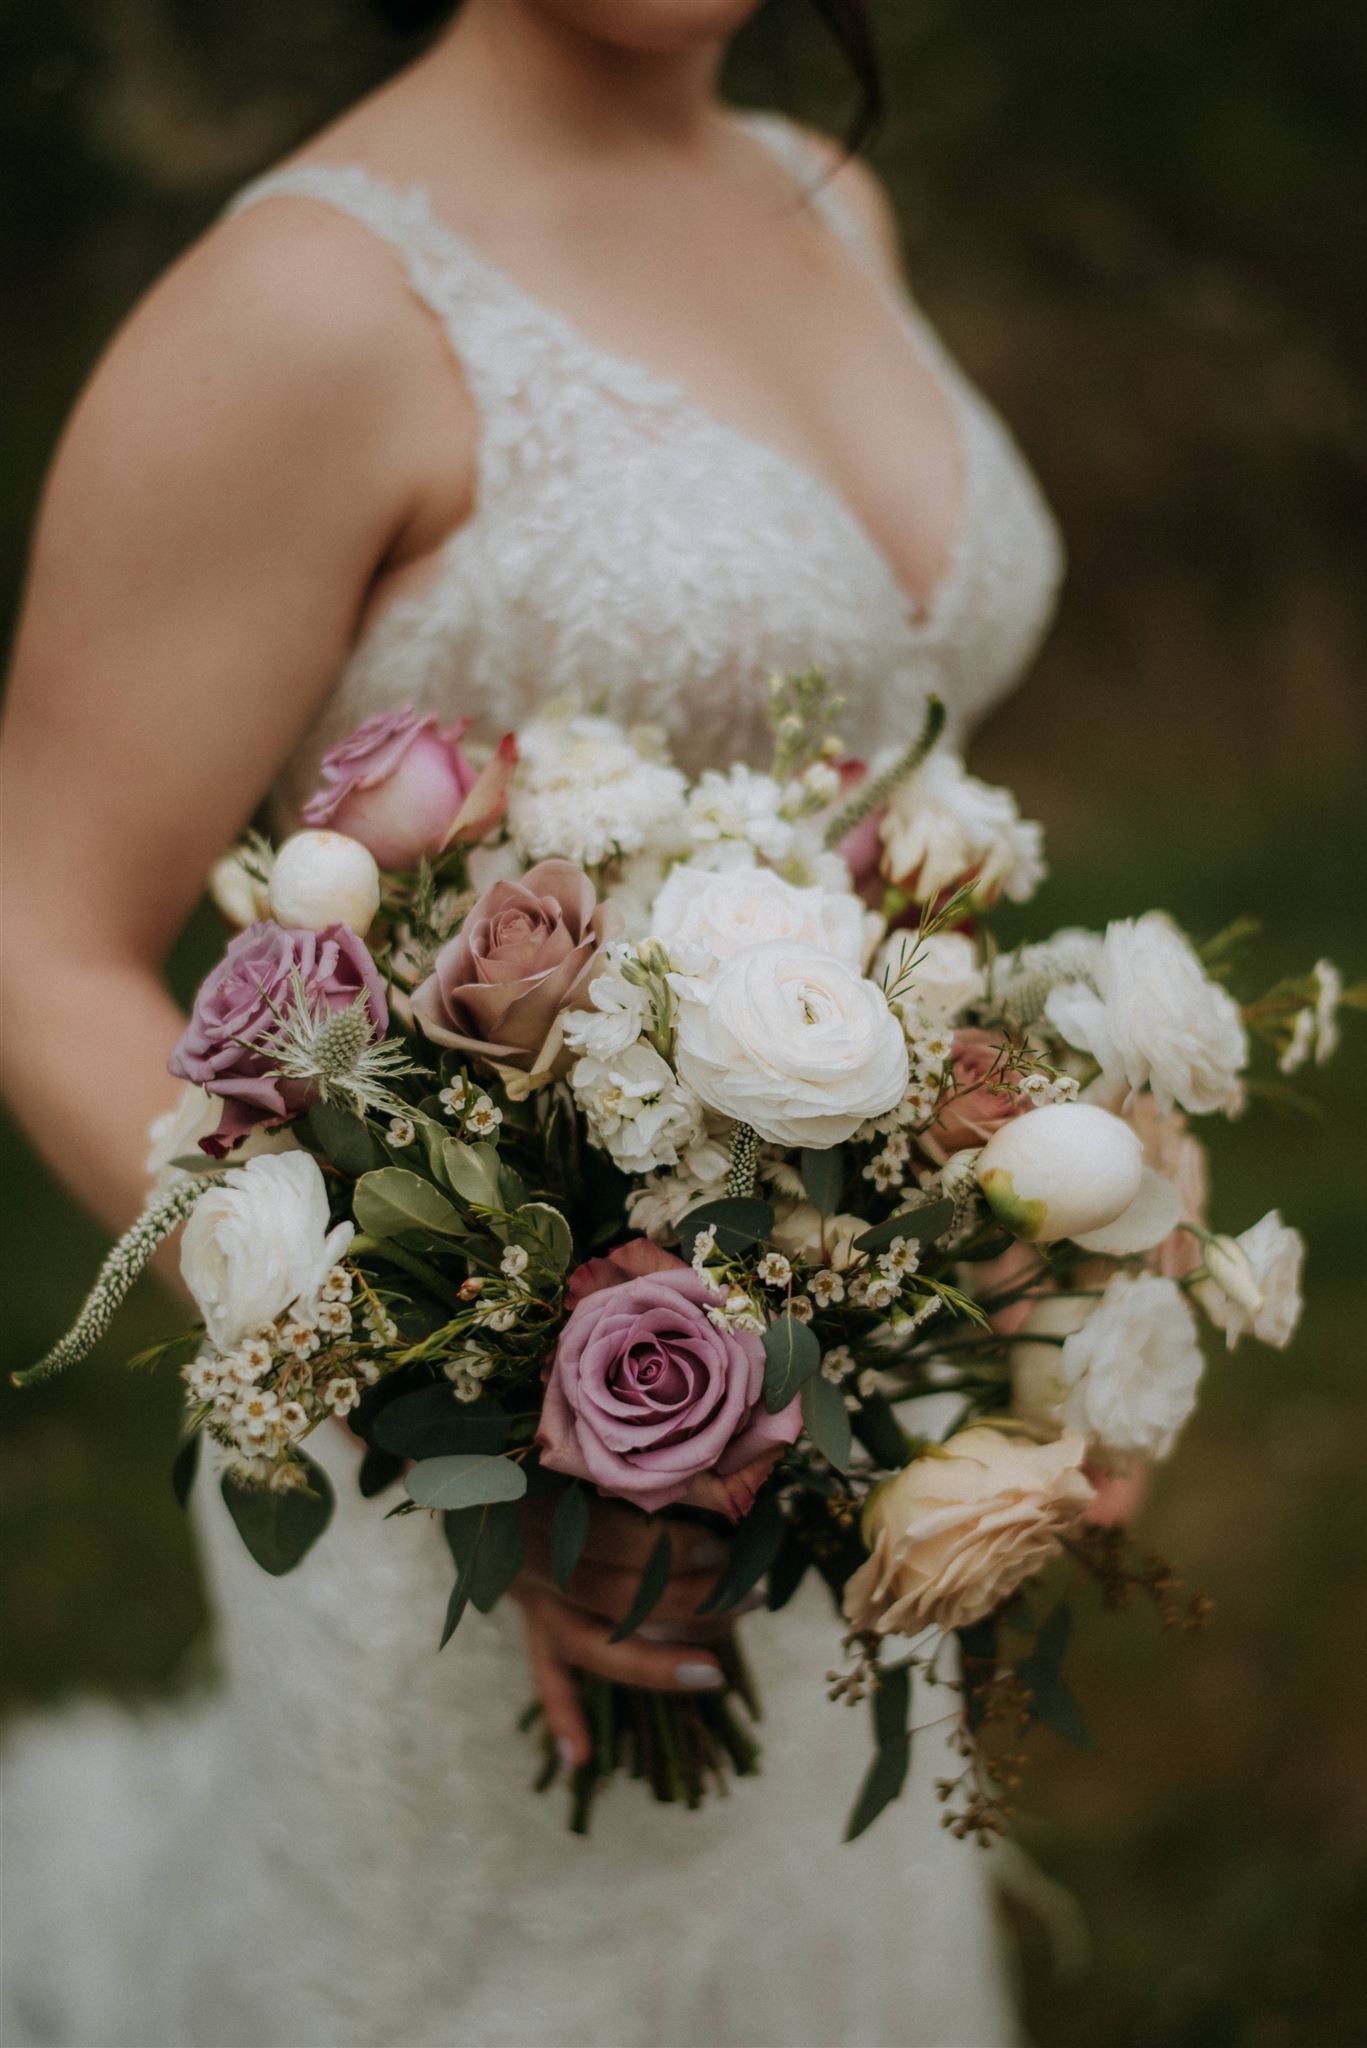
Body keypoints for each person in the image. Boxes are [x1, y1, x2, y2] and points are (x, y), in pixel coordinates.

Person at [0, 2, 1065, 2041]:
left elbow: (873, 804)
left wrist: (1032, 1261)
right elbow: (41, 934)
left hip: (846, 1394)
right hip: (486, 1475)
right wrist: (456, 1414)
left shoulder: (834, 198)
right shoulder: (301, 312)